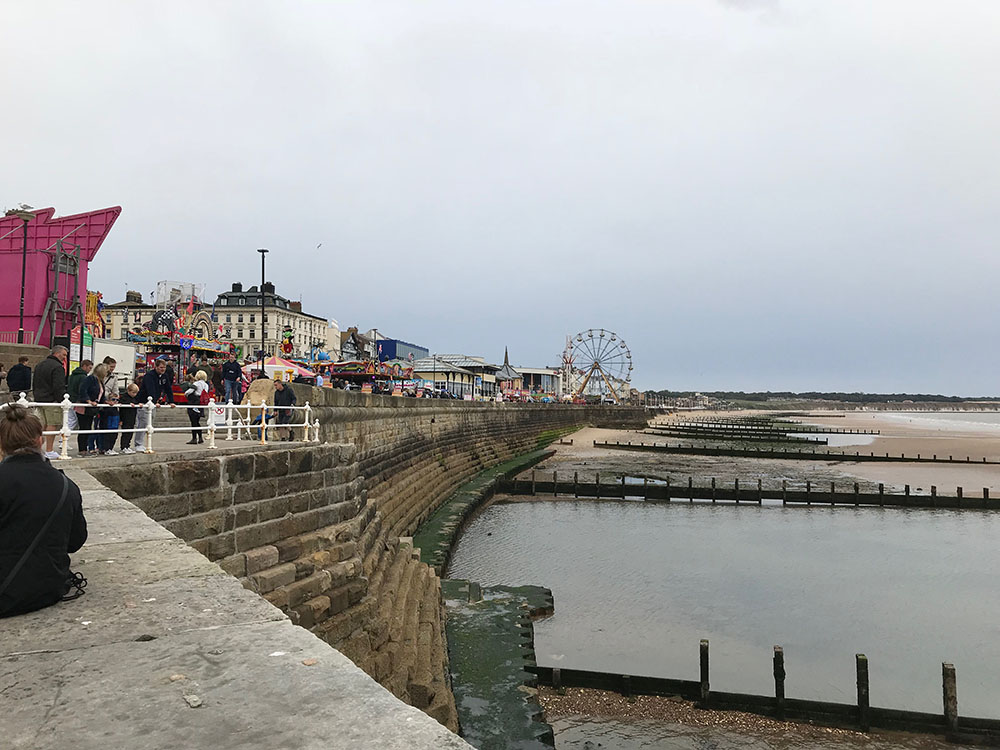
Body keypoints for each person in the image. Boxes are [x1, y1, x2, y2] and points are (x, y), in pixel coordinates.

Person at [0, 405, 87, 618]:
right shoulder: (66, 485)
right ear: (40, 440)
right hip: (48, 589)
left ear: (2, 444)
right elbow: (75, 541)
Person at [32, 346, 69, 460]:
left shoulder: (40, 365)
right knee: (52, 424)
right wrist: (62, 400)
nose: (65, 358)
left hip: (39, 398)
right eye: (64, 355)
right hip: (51, 400)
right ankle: (49, 450)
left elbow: (35, 382)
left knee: (41, 426)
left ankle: (36, 449)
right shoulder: (57, 367)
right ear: (57, 354)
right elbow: (58, 386)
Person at [134, 358, 174, 453]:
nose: (162, 369)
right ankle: (138, 444)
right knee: (143, 423)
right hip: (144, 402)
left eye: (164, 367)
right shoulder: (149, 376)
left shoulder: (164, 376)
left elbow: (168, 388)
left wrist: (171, 401)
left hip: (153, 403)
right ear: (156, 367)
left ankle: (143, 443)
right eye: (161, 367)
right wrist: (154, 401)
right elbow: (150, 389)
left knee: (149, 423)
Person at [78, 363, 107, 455]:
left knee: (88, 427)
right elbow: (83, 390)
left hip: (93, 408)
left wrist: (106, 402)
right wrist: (88, 401)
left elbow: (101, 395)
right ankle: (82, 449)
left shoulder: (100, 381)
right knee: (84, 427)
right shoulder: (90, 379)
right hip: (84, 407)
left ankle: (85, 448)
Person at [183, 370, 209, 444]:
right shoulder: (206, 385)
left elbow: (189, 392)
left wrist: (186, 394)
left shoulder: (196, 384)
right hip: (201, 403)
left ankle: (194, 438)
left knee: (193, 420)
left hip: (194, 402)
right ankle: (200, 437)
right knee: (197, 420)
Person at [117, 383, 141, 454]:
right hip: (125, 417)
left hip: (132, 417)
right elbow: (122, 403)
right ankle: (123, 447)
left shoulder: (134, 398)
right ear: (128, 391)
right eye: (133, 392)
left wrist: (138, 404)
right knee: (125, 433)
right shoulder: (124, 397)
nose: (135, 394)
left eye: (136, 393)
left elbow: (136, 402)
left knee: (130, 432)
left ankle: (127, 446)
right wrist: (129, 404)